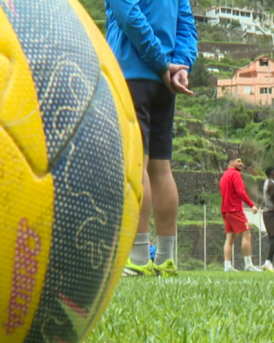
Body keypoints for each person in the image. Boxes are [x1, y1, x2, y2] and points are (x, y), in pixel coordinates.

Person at [108, 0, 197, 278]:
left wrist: (161, 64)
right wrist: (181, 66)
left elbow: (128, 15)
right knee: (160, 167)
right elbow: (186, 24)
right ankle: (165, 258)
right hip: (165, 83)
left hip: (132, 73)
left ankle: (137, 256)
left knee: (137, 163)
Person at [219, 157, 260, 272]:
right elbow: (240, 191)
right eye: (238, 161)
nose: (241, 164)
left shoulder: (224, 176)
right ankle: (248, 264)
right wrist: (251, 205)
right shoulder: (235, 174)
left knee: (229, 238)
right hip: (235, 209)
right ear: (231, 163)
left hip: (225, 210)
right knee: (247, 233)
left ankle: (227, 266)